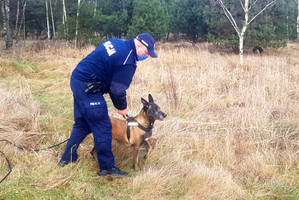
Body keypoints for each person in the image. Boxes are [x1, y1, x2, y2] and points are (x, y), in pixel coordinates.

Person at [58, 33, 158, 176]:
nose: (146, 56)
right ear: (139, 45)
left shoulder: (116, 42)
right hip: (89, 89)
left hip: (78, 79)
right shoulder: (128, 61)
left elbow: (109, 77)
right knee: (104, 127)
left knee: (82, 124)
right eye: (146, 52)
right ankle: (107, 167)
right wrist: (122, 107)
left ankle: (67, 158)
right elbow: (117, 89)